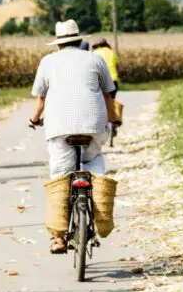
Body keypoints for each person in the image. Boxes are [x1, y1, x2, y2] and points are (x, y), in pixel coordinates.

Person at [29, 19, 117, 253]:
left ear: (58, 43)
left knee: (60, 176)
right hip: (94, 126)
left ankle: (58, 237)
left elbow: (40, 99)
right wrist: (113, 118)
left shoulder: (47, 62)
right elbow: (109, 95)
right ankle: (99, 209)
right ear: (79, 40)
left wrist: (34, 119)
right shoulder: (95, 59)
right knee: (94, 162)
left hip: (59, 128)